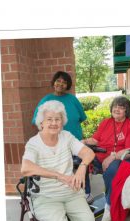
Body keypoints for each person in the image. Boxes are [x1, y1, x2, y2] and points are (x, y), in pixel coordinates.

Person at [22, 100, 96, 221]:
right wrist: (58, 175)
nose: (54, 123)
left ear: (62, 122)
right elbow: (26, 167)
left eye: (57, 119)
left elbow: (88, 153)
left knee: (88, 220)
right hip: (46, 197)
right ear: (41, 122)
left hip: (71, 193)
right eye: (49, 119)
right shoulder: (34, 143)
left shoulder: (66, 137)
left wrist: (83, 167)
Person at [31, 71, 93, 203]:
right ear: (54, 82)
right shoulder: (46, 100)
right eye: (58, 81)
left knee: (82, 166)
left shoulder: (72, 100)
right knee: (62, 169)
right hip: (56, 144)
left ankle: (86, 192)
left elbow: (81, 117)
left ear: (67, 85)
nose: (61, 84)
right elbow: (37, 122)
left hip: (76, 142)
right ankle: (63, 196)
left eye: (64, 82)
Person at [83, 96, 130, 221]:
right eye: (115, 106)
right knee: (80, 160)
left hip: (124, 159)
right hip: (101, 156)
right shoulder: (106, 123)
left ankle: (110, 204)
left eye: (121, 107)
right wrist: (83, 142)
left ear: (127, 111)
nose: (117, 109)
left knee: (112, 169)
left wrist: (112, 157)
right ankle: (85, 194)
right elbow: (95, 140)